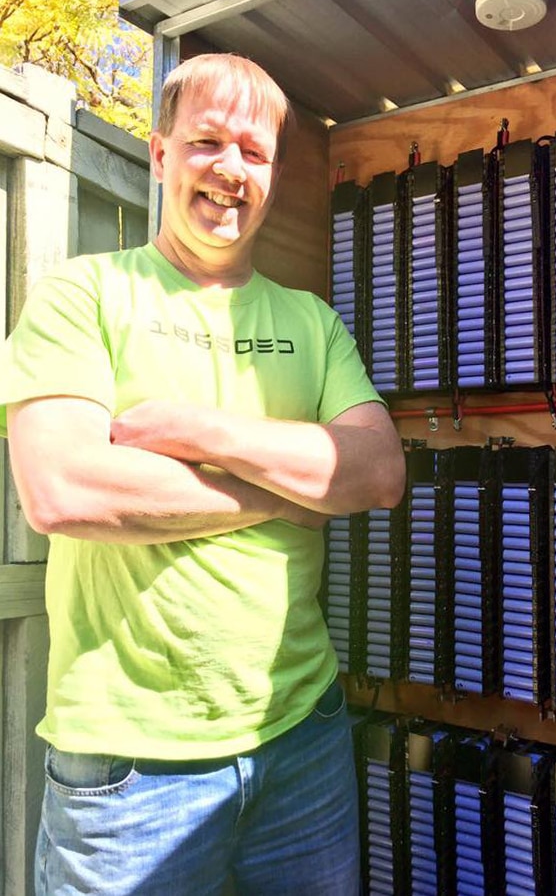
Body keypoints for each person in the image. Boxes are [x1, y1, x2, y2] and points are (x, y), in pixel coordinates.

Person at [0, 53, 406, 895]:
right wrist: (284, 490)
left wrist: (193, 431)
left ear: (274, 173)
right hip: (127, 771)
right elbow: (64, 488)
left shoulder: (312, 322)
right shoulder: (85, 295)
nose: (230, 169)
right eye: (207, 142)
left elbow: (374, 471)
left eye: (253, 152)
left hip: (302, 738)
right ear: (159, 155)